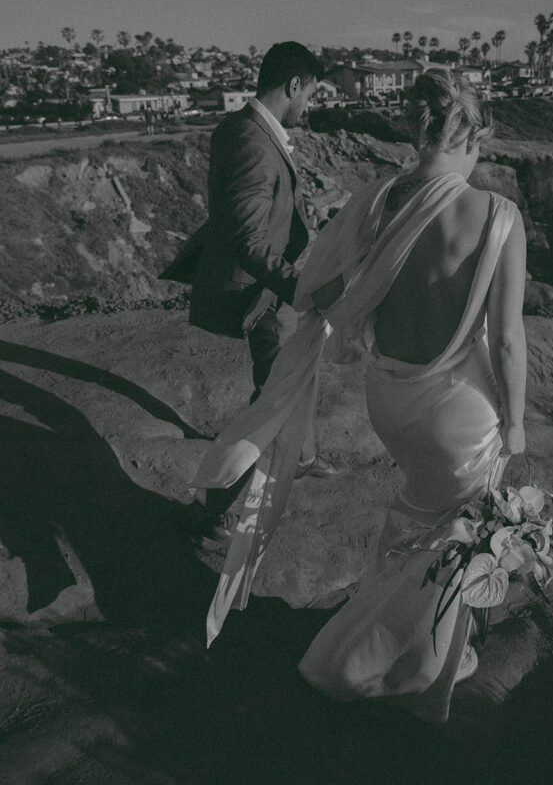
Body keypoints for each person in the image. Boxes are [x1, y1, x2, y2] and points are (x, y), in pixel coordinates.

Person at [190, 71, 526, 723]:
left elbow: (319, 290)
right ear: (472, 137)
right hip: (458, 414)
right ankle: (386, 663)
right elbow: (507, 342)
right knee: (453, 536)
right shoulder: (497, 218)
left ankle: (427, 642)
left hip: (389, 401)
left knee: (415, 516)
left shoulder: (373, 201)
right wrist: (513, 422)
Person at [160, 42, 345, 538]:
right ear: (294, 85)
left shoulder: (244, 127)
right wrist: (300, 287)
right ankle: (212, 506)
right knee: (271, 398)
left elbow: (258, 213)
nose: (311, 105)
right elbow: (246, 238)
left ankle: (301, 456)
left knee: (294, 375)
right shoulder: (251, 141)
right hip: (264, 291)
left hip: (270, 284)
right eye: (312, 94)